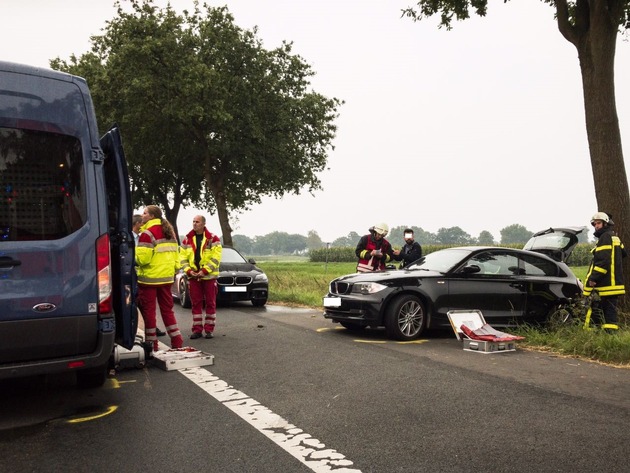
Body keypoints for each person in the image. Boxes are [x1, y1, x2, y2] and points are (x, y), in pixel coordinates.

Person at [135, 205, 183, 351]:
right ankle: (177, 340)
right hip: (166, 278)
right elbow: (177, 256)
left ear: (151, 216)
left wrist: (131, 257)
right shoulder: (170, 232)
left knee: (149, 312)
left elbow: (143, 260)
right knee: (167, 310)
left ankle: (152, 344)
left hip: (149, 279)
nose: (142, 216)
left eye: (144, 213)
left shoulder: (147, 234)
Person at [180, 215, 222, 339]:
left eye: (197, 222)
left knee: (210, 302)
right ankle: (197, 330)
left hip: (208, 277)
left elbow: (216, 258)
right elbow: (182, 258)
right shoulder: (187, 239)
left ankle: (209, 329)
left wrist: (204, 271)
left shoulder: (213, 238)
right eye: (193, 221)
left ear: (204, 224)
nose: (194, 224)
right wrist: (188, 271)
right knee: (196, 303)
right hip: (193, 277)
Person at [583, 212, 627, 331]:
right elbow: (624, 253)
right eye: (594, 224)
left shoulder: (605, 238)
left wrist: (593, 278)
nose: (596, 226)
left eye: (598, 223)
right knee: (609, 313)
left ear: (605, 223)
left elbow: (603, 261)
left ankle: (604, 336)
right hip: (614, 284)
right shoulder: (614, 237)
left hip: (605, 285)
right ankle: (609, 337)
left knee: (601, 312)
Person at [133, 213, 166, 338]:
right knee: (134, 304)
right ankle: (134, 330)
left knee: (145, 305)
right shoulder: (130, 238)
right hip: (132, 274)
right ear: (137, 224)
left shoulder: (144, 237)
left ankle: (152, 328)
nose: (144, 225)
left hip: (142, 274)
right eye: (142, 223)